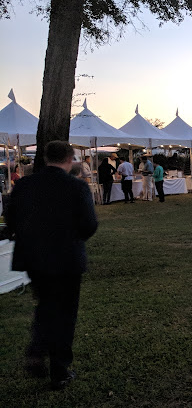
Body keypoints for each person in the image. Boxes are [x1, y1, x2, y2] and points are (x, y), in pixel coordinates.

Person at [6, 141, 98, 390]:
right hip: (67, 258)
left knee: (46, 304)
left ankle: (37, 349)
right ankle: (59, 370)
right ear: (70, 159)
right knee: (65, 314)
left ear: (46, 158)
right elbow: (89, 224)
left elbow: (11, 219)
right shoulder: (76, 186)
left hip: (34, 258)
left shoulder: (24, 185)